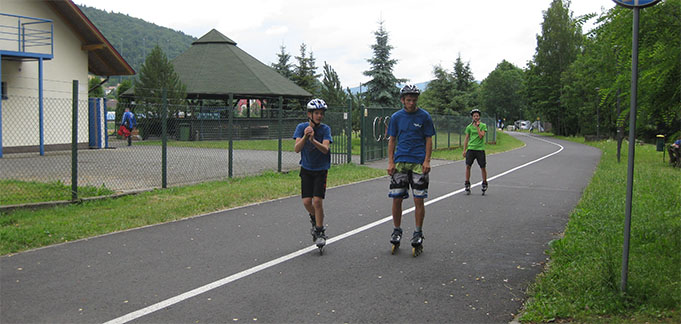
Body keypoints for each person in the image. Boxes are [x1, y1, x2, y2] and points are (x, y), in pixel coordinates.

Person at [387, 84, 435, 256]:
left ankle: (418, 232)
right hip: (400, 161)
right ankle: (397, 229)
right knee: (397, 198)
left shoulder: (424, 116)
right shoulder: (396, 117)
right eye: (408, 100)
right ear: (402, 100)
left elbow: (428, 139)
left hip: (418, 162)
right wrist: (391, 162)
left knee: (418, 199)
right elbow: (392, 140)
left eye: (414, 100)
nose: (411, 103)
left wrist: (427, 160)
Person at [293, 98, 333, 251]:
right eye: (316, 113)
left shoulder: (325, 129)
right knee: (306, 202)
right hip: (306, 169)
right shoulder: (301, 127)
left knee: (317, 201)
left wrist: (313, 139)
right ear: (309, 114)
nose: (319, 116)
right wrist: (304, 137)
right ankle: (315, 219)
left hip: (321, 169)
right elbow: (297, 148)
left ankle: (320, 230)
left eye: (321, 113)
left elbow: (325, 149)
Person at [463, 109, 488, 194]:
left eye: (477, 116)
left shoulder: (483, 125)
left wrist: (477, 126)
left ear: (479, 117)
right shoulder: (469, 127)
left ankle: (484, 182)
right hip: (471, 148)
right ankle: (467, 182)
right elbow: (466, 138)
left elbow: (481, 136)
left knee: (482, 167)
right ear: (472, 117)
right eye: (474, 116)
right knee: (468, 166)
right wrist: (464, 150)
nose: (476, 117)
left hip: (480, 149)